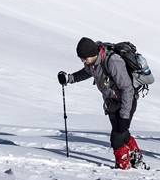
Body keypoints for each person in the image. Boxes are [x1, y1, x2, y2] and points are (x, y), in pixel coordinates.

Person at [58, 38, 148, 170]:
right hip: (111, 102)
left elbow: (127, 89)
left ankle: (123, 168)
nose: (83, 61)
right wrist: (69, 78)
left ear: (92, 54)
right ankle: (136, 158)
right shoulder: (93, 63)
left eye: (84, 58)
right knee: (122, 132)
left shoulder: (113, 62)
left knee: (116, 138)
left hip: (126, 102)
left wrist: (124, 115)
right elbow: (86, 72)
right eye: (81, 59)